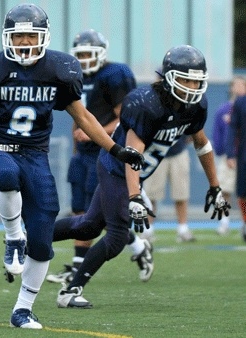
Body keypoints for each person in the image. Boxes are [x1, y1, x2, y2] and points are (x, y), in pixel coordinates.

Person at [0, 3, 144, 329]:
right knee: (7, 175)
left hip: (36, 156)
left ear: (44, 36)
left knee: (41, 240)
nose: (24, 42)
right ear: (8, 37)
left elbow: (84, 117)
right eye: (18, 35)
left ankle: (22, 309)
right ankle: (12, 237)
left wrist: (116, 149)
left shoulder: (59, 68)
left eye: (30, 35)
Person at [53, 45, 231, 309]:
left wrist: (214, 186)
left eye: (196, 80)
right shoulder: (145, 102)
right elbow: (133, 153)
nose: (192, 86)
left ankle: (29, 236)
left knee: (89, 226)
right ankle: (71, 291)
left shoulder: (196, 106)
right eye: (185, 79)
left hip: (137, 172)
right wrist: (135, 196)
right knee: (115, 236)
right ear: (169, 77)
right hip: (117, 166)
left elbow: (202, 144)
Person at [46, 30, 153, 285]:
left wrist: (95, 133)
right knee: (80, 212)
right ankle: (136, 248)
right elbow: (79, 117)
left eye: (88, 54)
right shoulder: (76, 76)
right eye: (80, 54)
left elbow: (127, 119)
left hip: (107, 154)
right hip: (83, 154)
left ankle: (81, 266)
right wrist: (77, 145)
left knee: (97, 217)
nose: (83, 59)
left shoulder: (115, 74)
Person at [142, 136, 195, 242]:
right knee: (150, 196)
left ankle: (183, 229)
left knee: (181, 194)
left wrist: (189, 136)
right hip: (155, 152)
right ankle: (147, 230)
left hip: (178, 151)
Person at [212, 76, 246, 235]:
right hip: (234, 155)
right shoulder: (226, 108)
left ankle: (243, 223)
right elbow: (224, 131)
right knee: (227, 190)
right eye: (236, 85)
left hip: (241, 154)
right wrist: (227, 153)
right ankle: (225, 222)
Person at [226, 82, 246, 242]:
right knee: (242, 193)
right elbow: (232, 127)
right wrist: (230, 154)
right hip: (244, 155)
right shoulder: (241, 101)